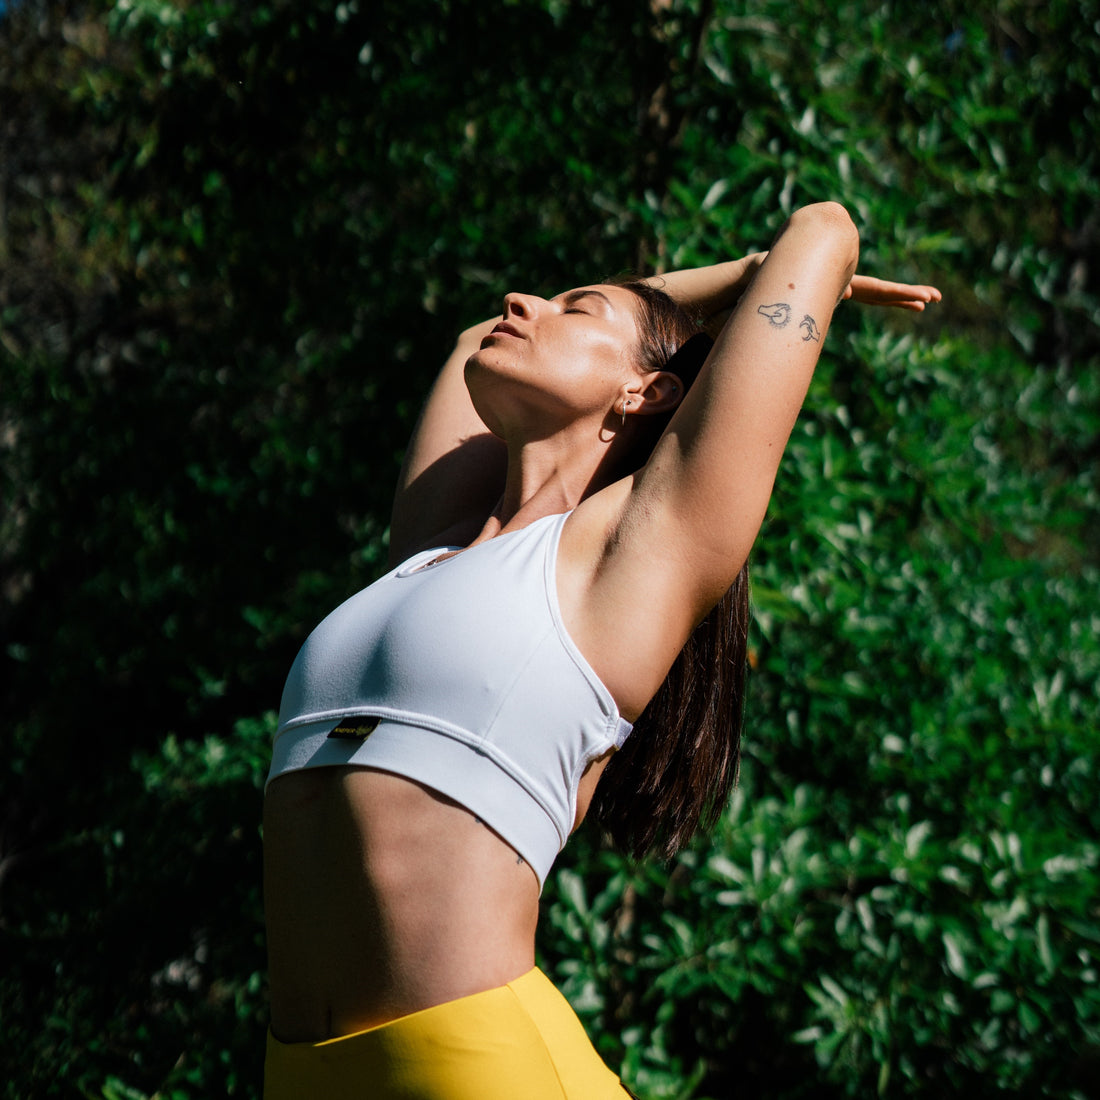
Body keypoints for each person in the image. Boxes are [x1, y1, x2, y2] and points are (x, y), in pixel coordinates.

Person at [261, 202, 940, 1099]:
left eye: (574, 310)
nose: (522, 302)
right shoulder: (431, 550)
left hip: (475, 1066)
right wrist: (686, 294)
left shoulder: (627, 559)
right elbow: (475, 334)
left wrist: (747, 281)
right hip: (303, 1076)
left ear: (646, 390)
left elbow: (822, 231)